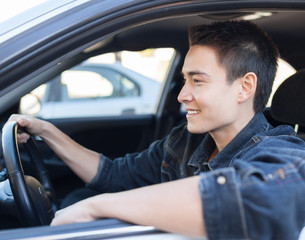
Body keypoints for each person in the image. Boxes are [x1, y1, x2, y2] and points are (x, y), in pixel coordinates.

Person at [6, 20, 305, 239]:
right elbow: (113, 175)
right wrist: (46, 131)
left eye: (197, 81)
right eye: (184, 79)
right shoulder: (185, 140)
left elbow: (256, 199)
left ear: (245, 87)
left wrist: (95, 207)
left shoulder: (283, 151)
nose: (182, 95)